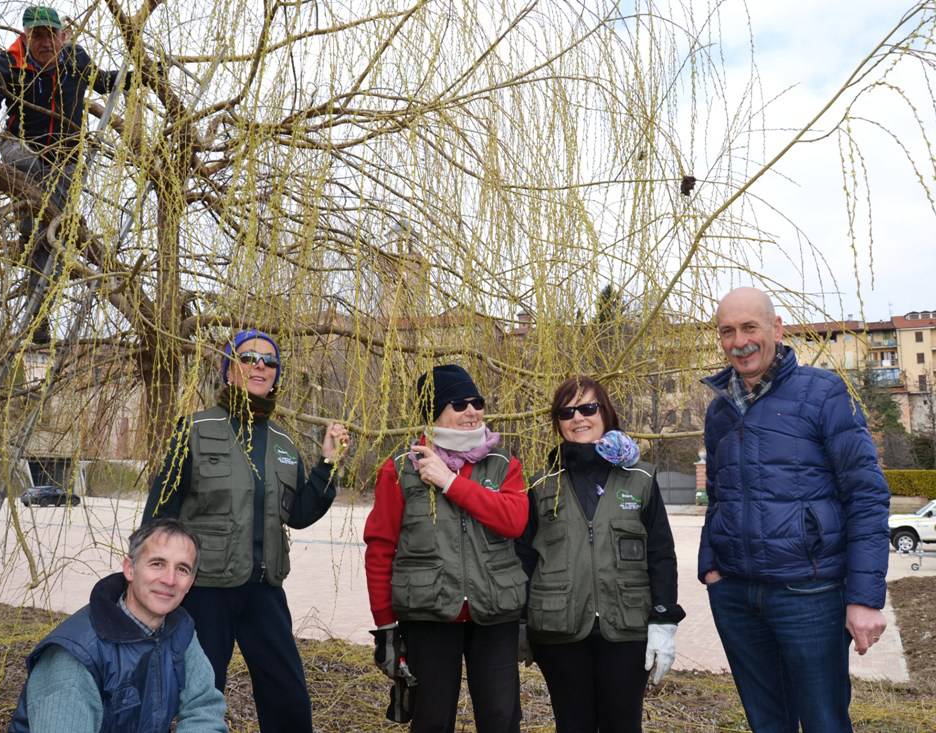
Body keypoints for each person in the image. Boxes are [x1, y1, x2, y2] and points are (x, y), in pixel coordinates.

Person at [699, 287, 890, 732]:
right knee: (767, 723)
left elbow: (865, 495)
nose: (739, 341)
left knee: (824, 721)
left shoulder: (823, 394)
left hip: (809, 596)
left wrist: (863, 598)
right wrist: (711, 565)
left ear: (776, 329)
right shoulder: (720, 411)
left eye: (750, 327)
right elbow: (718, 494)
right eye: (727, 331)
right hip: (737, 596)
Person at [142, 328, 348, 733]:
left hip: (264, 589)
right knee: (199, 693)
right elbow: (161, 512)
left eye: (269, 361)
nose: (260, 366)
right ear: (229, 369)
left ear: (277, 376)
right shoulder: (195, 430)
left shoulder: (285, 442)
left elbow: (299, 513)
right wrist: (150, 578)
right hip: (205, 591)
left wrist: (328, 464)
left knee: (288, 695)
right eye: (249, 357)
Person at [364, 364, 529, 733]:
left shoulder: (504, 465)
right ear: (433, 412)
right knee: (431, 720)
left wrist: (450, 482)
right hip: (429, 614)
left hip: (494, 613)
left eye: (477, 402)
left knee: (502, 719)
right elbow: (381, 549)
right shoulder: (399, 469)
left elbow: (513, 520)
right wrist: (386, 625)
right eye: (458, 403)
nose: (472, 411)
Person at [516, 376, 685, 733]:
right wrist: (519, 623)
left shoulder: (640, 479)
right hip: (559, 631)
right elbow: (524, 558)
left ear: (605, 412)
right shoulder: (540, 485)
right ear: (558, 423)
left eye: (588, 408)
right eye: (567, 412)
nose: (578, 418)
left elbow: (660, 554)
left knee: (622, 725)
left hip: (626, 629)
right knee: (572, 724)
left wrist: (664, 620)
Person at [0, 6, 131, 343]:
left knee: (52, 237)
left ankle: (39, 316)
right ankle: (30, 228)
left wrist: (132, 75)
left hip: (66, 160)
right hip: (22, 149)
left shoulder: (74, 58)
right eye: (37, 35)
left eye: (50, 35)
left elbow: (101, 82)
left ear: (63, 35)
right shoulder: (9, 63)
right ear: (26, 36)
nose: (44, 42)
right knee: (33, 179)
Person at [8, 518, 226, 732]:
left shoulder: (179, 630)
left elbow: (203, 707)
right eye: (157, 564)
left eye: (182, 569)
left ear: (191, 582)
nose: (169, 580)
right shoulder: (74, 658)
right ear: (130, 569)